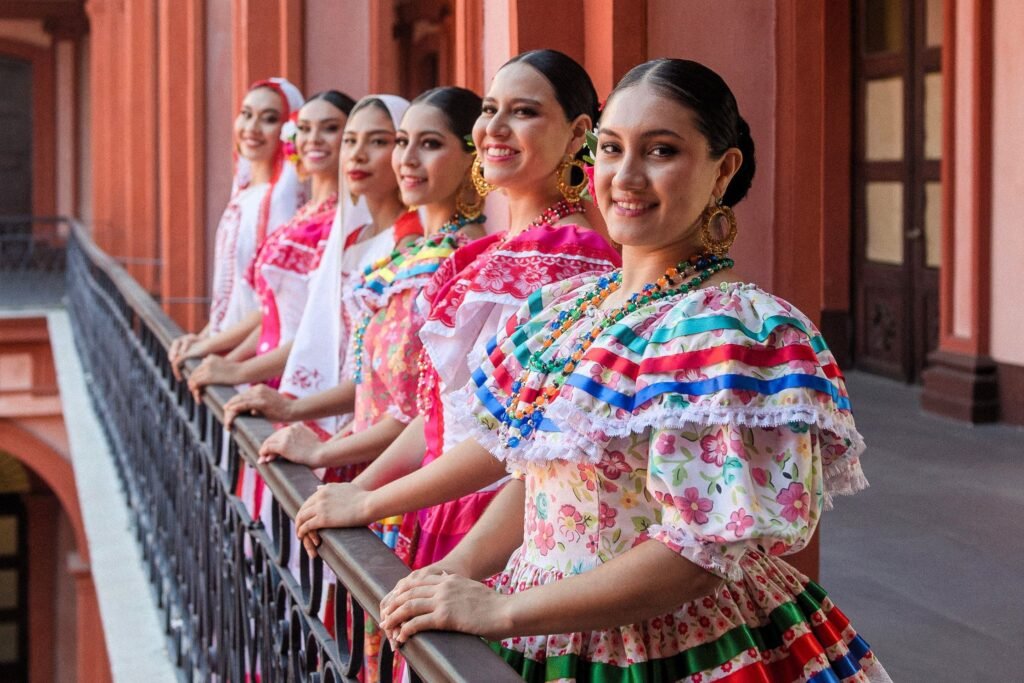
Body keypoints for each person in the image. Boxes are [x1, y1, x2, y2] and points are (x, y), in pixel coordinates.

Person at [373, 59, 892, 682]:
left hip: (666, 642)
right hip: (537, 622)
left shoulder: (732, 331)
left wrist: (504, 610)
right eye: (612, 149)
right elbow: (537, 479)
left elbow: (695, 556)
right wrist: (456, 570)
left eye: (662, 150)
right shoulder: (568, 310)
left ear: (722, 170)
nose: (625, 176)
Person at [287, 50, 622, 570]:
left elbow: (517, 446)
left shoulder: (573, 259)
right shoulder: (489, 254)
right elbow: (443, 415)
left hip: (498, 532)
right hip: (439, 507)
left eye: (524, 112)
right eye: (490, 109)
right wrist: (362, 489)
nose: (496, 128)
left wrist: (372, 497)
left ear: (579, 134)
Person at [183, 91, 356, 399]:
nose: (313, 138)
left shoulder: (339, 224)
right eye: (304, 128)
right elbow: (271, 314)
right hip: (264, 373)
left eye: (329, 128)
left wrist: (233, 365)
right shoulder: (304, 215)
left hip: (296, 384)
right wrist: (221, 357)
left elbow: (318, 328)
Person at [168, 78, 305, 377]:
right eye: (246, 114)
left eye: (269, 119)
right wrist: (204, 337)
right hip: (228, 355)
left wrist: (210, 347)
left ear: (287, 131)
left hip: (255, 363)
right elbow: (234, 293)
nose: (252, 127)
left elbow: (270, 305)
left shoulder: (281, 202)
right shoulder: (245, 192)